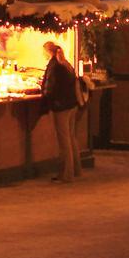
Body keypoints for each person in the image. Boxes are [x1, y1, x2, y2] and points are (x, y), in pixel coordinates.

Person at [40, 41, 81, 183]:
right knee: (71, 137)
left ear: (47, 52)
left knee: (64, 141)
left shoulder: (54, 66)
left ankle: (67, 174)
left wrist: (45, 97)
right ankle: (76, 169)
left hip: (61, 106)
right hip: (72, 104)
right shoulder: (65, 63)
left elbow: (50, 87)